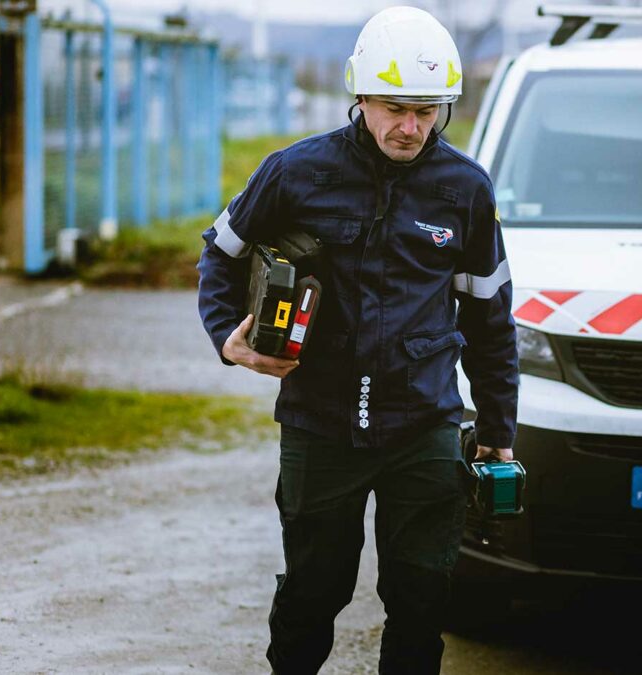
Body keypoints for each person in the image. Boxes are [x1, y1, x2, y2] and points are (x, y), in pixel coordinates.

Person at [195, 7, 519, 674]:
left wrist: (497, 430)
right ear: (361, 96)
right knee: (312, 595)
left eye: (426, 111)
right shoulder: (294, 172)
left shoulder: (465, 190)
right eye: (395, 109)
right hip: (319, 421)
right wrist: (228, 337)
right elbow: (220, 254)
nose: (411, 127)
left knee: (422, 598)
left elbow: (490, 319)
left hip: (424, 423)